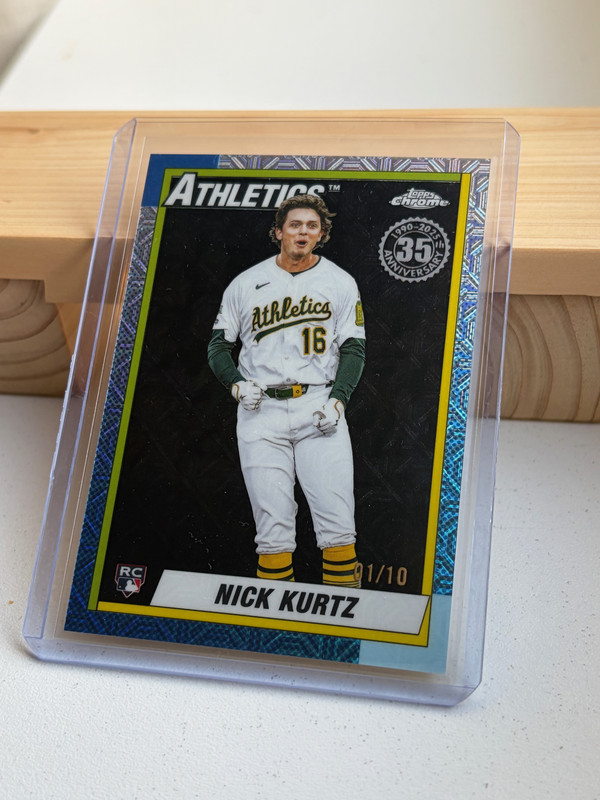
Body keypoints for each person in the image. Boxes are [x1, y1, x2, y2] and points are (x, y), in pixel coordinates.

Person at [207, 193, 365, 587]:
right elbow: (218, 347)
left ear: (321, 234)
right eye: (295, 224)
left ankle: (344, 615)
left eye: (312, 226)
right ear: (279, 231)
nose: (302, 232)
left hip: (318, 406)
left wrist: (339, 401)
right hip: (260, 410)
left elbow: (354, 349)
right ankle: (275, 619)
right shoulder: (246, 283)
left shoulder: (340, 282)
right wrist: (236, 385)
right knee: (272, 529)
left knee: (338, 523)